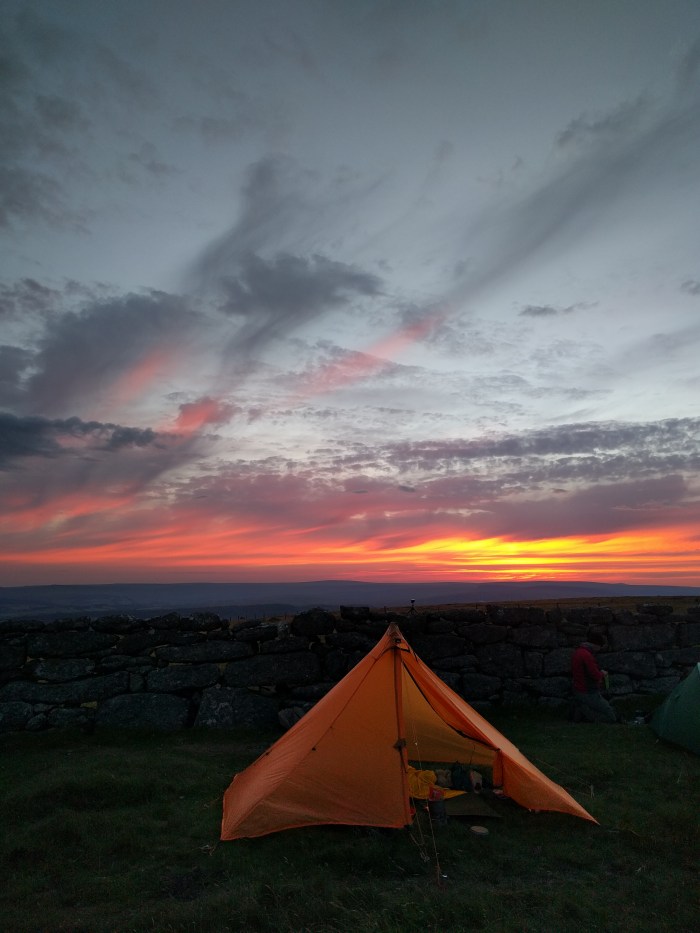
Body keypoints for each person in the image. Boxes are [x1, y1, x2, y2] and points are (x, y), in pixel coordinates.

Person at [571, 634, 618, 723]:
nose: (600, 649)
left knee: (605, 706)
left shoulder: (578, 652)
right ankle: (584, 712)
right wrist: (602, 674)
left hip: (579, 689)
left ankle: (581, 709)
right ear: (596, 645)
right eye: (600, 646)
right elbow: (595, 675)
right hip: (588, 692)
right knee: (611, 717)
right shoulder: (587, 655)